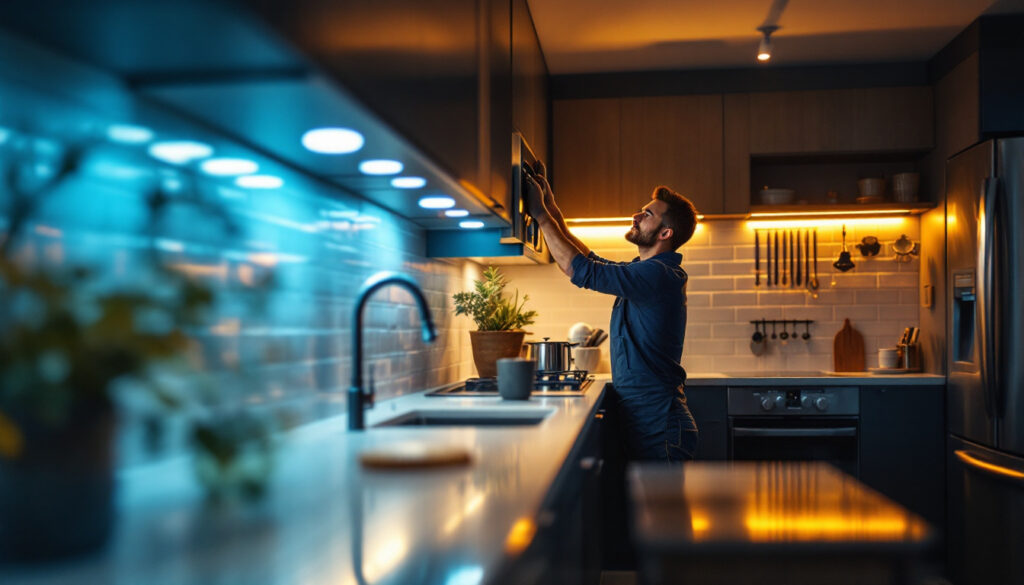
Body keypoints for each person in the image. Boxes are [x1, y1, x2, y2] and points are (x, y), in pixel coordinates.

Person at [523, 163, 699, 462]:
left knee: (660, 510)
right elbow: (589, 259)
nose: (637, 216)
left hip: (661, 428)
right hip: (649, 421)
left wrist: (540, 215)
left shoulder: (659, 275)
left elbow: (579, 269)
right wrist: (551, 209)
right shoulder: (646, 272)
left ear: (665, 232)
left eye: (648, 215)